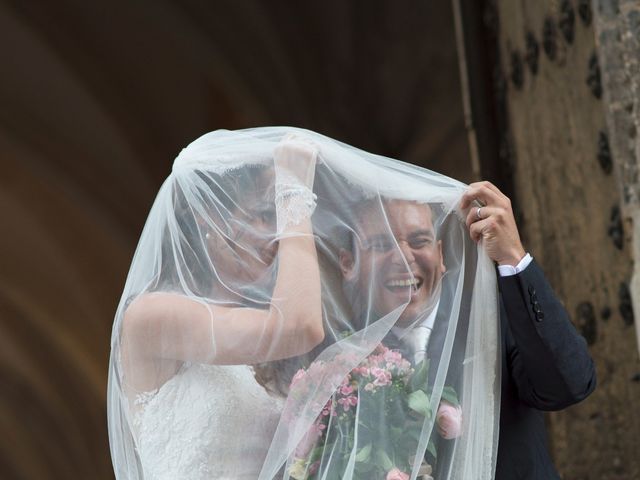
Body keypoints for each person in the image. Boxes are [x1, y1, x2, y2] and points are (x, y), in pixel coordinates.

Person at [337, 183, 596, 479]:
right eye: (382, 245)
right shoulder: (340, 362)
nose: (403, 258)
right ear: (348, 264)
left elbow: (570, 385)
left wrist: (513, 256)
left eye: (419, 241)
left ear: (440, 254)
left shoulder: (492, 318)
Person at [108, 132, 324, 479]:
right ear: (212, 219)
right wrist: (294, 190)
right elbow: (301, 326)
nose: (280, 232)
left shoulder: (262, 350)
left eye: (278, 215)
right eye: (264, 214)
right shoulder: (150, 317)